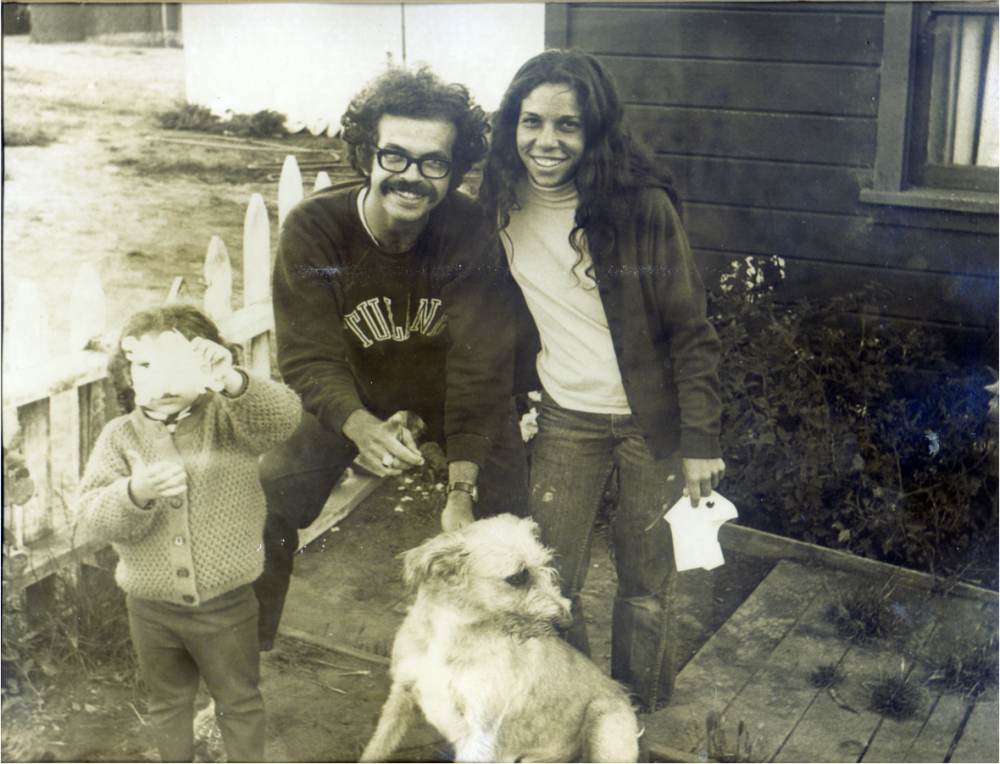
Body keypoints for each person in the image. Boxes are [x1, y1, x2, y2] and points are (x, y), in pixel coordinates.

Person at [478, 49, 726, 713]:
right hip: (566, 418)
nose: (546, 141)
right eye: (532, 122)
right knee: (549, 578)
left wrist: (700, 437)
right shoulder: (498, 207)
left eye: (568, 125)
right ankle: (587, 703)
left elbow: (691, 329)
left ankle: (636, 713)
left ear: (595, 133)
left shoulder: (639, 209)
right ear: (512, 126)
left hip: (655, 425)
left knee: (646, 582)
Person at [253, 64, 529, 651]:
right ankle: (245, 659)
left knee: (509, 529)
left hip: (458, 396)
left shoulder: (468, 229)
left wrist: (461, 491)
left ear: (454, 171)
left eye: (434, 163)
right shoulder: (316, 229)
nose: (412, 177)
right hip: (357, 395)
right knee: (267, 495)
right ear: (365, 155)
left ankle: (499, 677)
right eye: (395, 157)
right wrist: (358, 426)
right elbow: (308, 358)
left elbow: (480, 366)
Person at [76, 305, 302, 762]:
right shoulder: (119, 437)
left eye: (174, 365)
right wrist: (133, 494)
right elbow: (91, 516)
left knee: (239, 702)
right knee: (167, 704)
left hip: (228, 604)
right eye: (141, 365)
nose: (157, 380)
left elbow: (282, 419)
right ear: (126, 371)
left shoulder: (229, 419)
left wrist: (233, 381)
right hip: (150, 609)